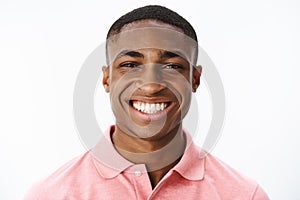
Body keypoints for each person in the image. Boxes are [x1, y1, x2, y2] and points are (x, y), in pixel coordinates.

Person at [25, 5, 269, 199]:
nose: (151, 86)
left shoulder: (245, 195)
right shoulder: (50, 195)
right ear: (107, 79)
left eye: (172, 66)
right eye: (130, 65)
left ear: (194, 80)